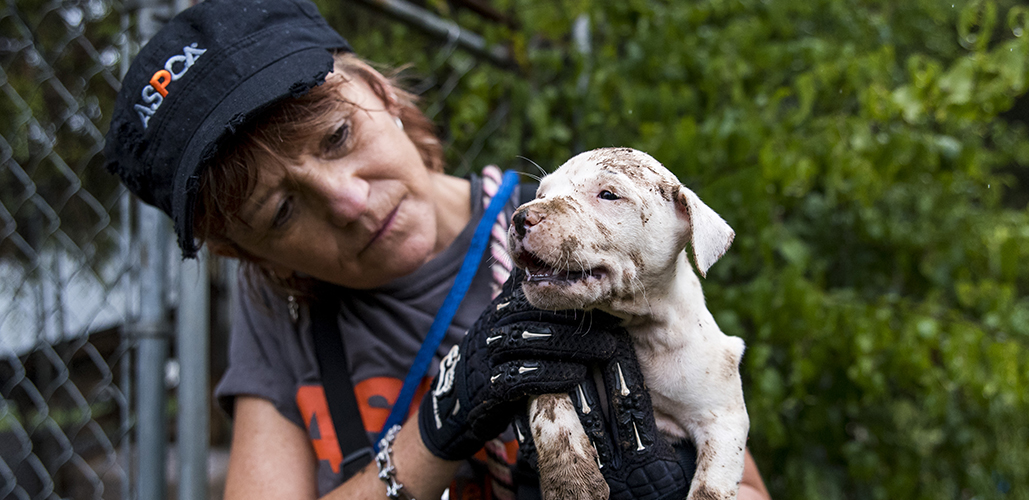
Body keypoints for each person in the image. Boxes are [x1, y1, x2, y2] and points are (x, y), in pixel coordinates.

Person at [103, 0, 771, 499]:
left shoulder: (573, 245)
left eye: (337, 136)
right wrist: (435, 432)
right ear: (253, 256)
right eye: (280, 212)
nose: (350, 202)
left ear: (381, 91)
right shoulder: (285, 307)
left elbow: (738, 473)